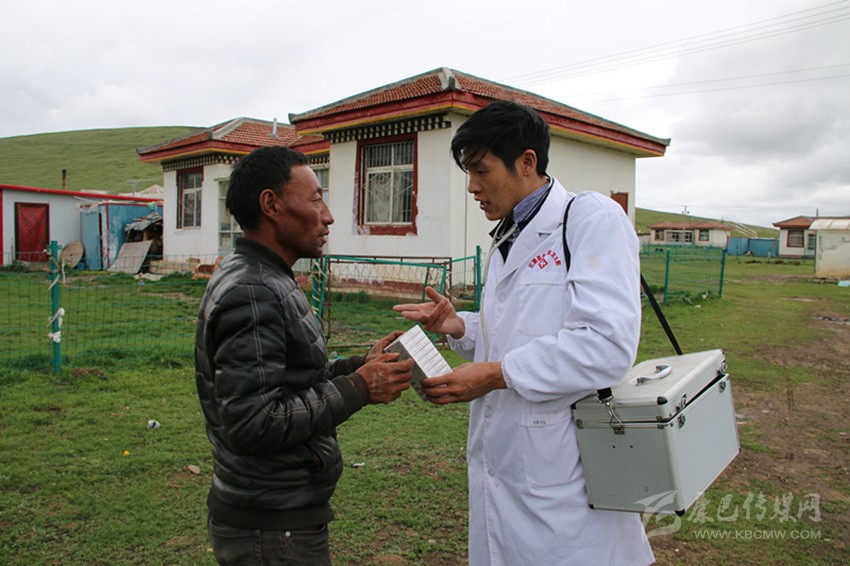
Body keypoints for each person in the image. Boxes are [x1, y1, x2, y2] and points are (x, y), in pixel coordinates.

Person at [394, 101, 654, 565]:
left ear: (527, 162)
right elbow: (520, 331)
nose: (472, 187)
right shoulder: (509, 233)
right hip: (509, 461)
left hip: (564, 472)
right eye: (468, 173)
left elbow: (606, 345)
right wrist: (460, 325)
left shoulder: (589, 219)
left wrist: (495, 375)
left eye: (481, 170)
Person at [195, 146, 414, 565]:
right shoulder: (254, 290)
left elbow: (288, 378)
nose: (328, 216)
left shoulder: (262, 276)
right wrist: (359, 387)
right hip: (271, 528)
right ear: (271, 205)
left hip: (277, 516)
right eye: (316, 199)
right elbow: (253, 423)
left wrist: (359, 367)